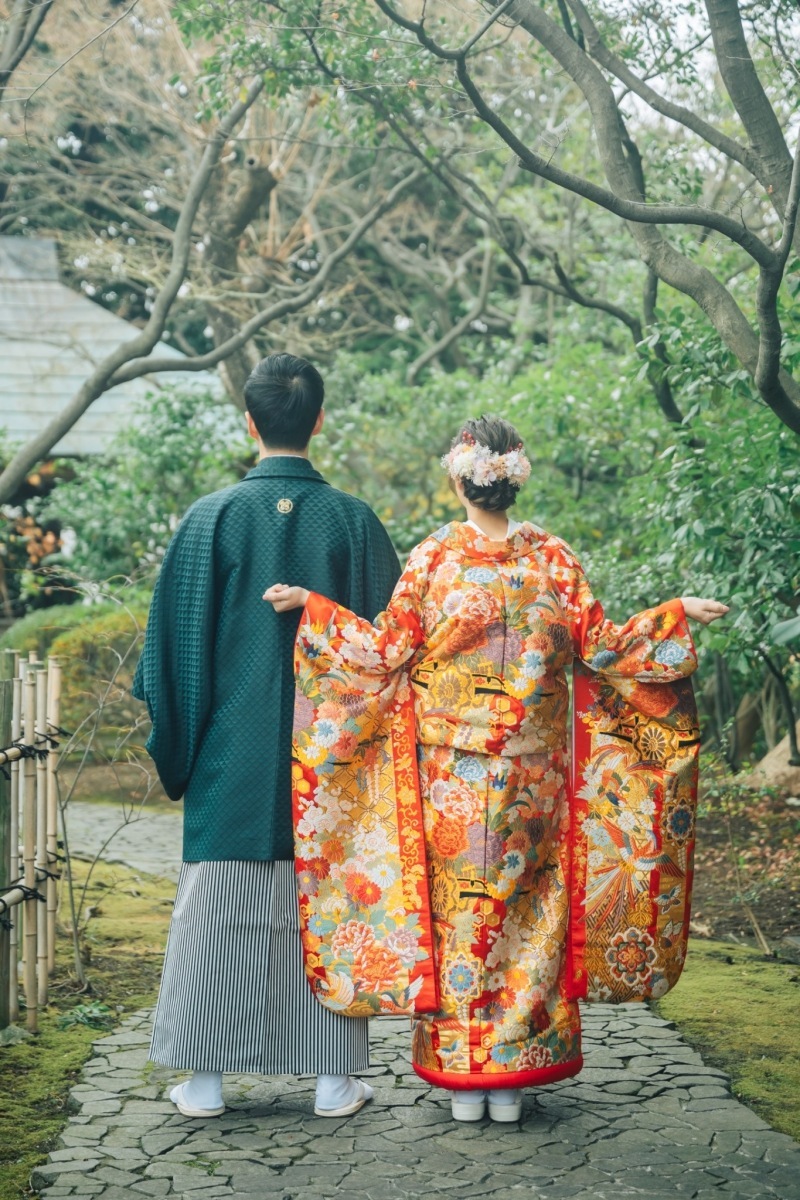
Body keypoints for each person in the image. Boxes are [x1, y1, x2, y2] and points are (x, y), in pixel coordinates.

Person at [265, 415, 728, 1124]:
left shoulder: (433, 560)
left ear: (458, 478)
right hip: (535, 778)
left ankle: (463, 1074)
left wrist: (316, 611)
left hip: (451, 775)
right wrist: (672, 615)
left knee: (459, 920)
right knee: (531, 916)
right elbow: (603, 646)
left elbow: (385, 649)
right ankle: (512, 1080)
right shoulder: (553, 558)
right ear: (517, 478)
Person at [132, 353, 401, 1119]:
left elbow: (174, 657)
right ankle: (333, 1081)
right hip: (332, 767)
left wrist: (184, 744)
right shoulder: (354, 521)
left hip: (228, 757)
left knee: (215, 910)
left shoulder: (210, 518)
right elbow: (392, 651)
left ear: (249, 422)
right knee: (328, 908)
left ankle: (204, 1082)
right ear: (318, 420)